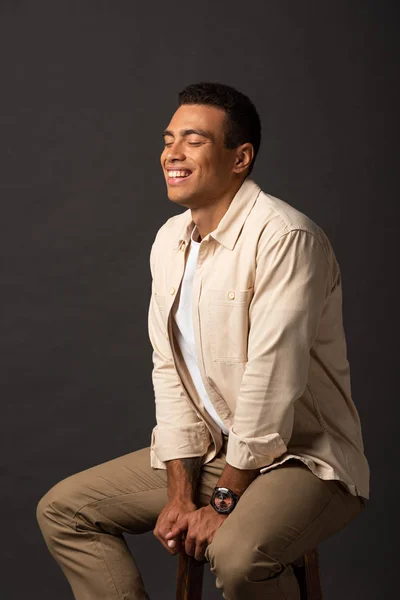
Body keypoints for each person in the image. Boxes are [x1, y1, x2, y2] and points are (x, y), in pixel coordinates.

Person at [36, 82, 370, 600]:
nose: (172, 152)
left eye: (193, 140)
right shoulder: (170, 241)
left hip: (305, 458)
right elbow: (169, 370)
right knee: (65, 510)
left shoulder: (285, 238)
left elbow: (270, 384)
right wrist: (178, 496)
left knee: (237, 556)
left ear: (241, 158)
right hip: (221, 452)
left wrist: (221, 503)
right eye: (169, 139)